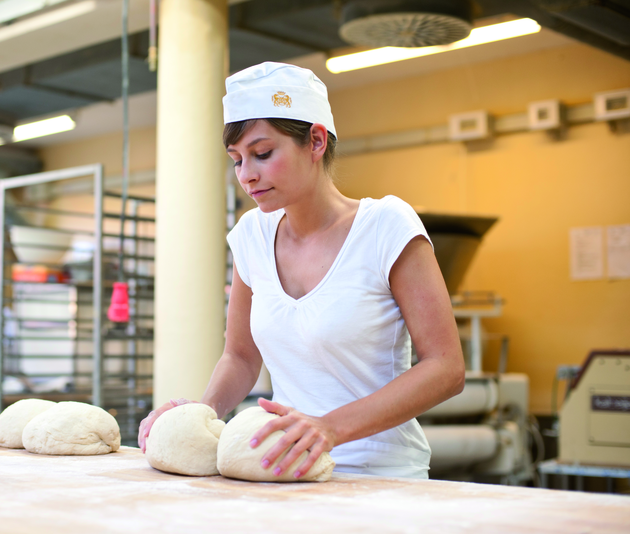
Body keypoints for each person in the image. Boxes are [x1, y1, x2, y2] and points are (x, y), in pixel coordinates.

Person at [139, 62, 464, 479]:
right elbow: (241, 356)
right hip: (286, 470)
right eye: (237, 160)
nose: (246, 175)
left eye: (262, 154)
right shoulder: (252, 236)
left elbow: (445, 368)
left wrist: (330, 428)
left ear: (315, 140)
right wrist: (201, 415)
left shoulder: (385, 227)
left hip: (380, 475)